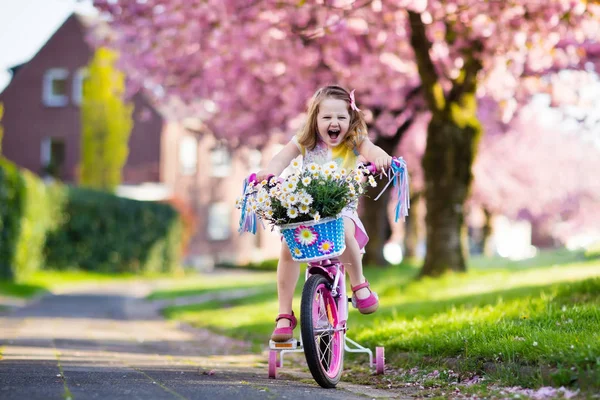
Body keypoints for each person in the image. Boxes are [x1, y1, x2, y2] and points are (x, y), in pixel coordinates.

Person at [256, 85, 393, 342]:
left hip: (343, 211)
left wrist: (382, 157)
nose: (334, 123)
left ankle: (359, 284)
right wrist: (269, 172)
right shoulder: (305, 142)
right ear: (315, 119)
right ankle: (284, 314)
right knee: (288, 248)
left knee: (343, 230)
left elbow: (372, 151)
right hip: (310, 215)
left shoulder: (354, 141)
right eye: (327, 117)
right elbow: (281, 158)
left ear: (350, 120)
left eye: (341, 117)